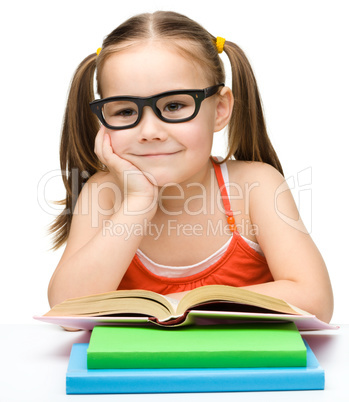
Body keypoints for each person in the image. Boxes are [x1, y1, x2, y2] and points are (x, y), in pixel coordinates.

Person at [47, 11, 333, 323]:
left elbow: (315, 299)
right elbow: (67, 310)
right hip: (140, 371)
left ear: (220, 109)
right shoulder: (103, 194)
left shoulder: (256, 187)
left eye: (174, 106)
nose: (149, 131)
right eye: (126, 111)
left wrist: (176, 304)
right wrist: (139, 201)